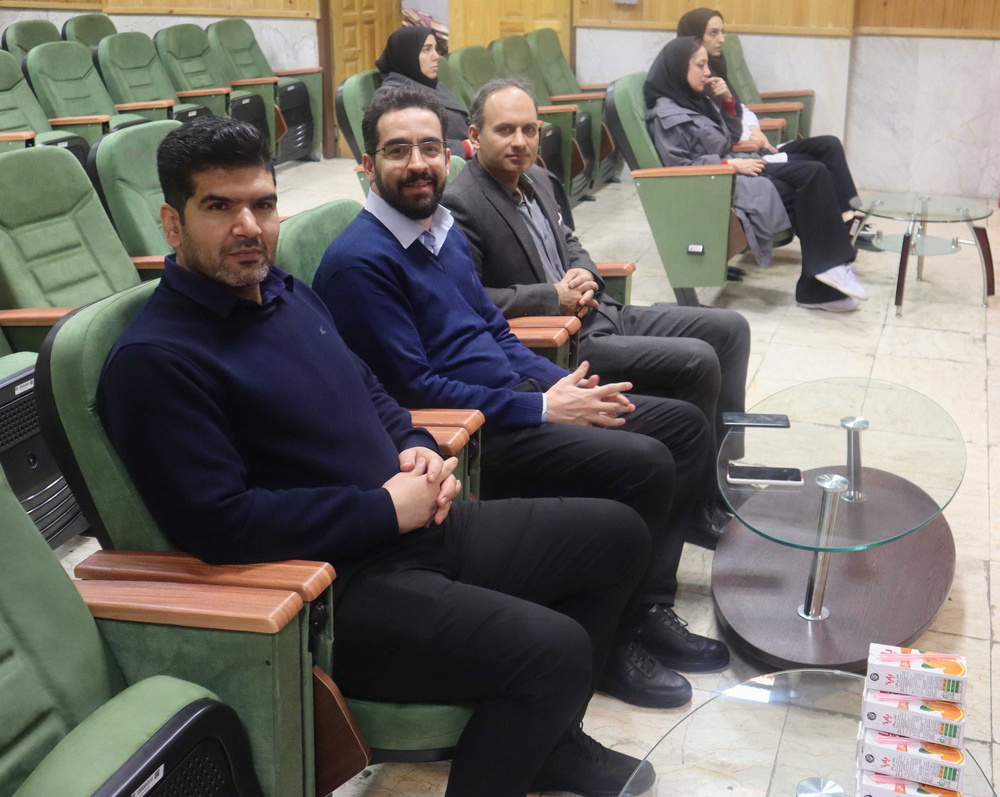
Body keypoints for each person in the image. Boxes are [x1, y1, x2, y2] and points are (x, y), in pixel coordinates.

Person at [97, 115, 657, 797]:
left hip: (413, 525)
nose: (249, 226)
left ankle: (549, 744)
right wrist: (384, 510)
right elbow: (219, 523)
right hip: (337, 590)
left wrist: (415, 446)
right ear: (172, 223)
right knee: (554, 651)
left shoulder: (282, 291)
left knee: (617, 535)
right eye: (219, 207)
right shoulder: (155, 360)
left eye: (263, 205)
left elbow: (369, 387)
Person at [313, 84, 731, 710]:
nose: (418, 163)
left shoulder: (440, 230)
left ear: (448, 154)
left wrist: (555, 385)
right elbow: (413, 388)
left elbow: (495, 331)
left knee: (684, 426)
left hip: (518, 398)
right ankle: (612, 647)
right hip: (477, 435)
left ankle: (646, 607)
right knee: (645, 460)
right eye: (398, 151)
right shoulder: (361, 263)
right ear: (368, 166)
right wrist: (540, 408)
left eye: (429, 147)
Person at [441, 78, 750, 548]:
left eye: (530, 129)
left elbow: (570, 242)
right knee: (697, 359)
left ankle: (717, 472)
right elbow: (474, 299)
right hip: (565, 343)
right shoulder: (462, 202)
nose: (520, 141)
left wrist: (585, 272)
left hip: (602, 310)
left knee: (730, 329)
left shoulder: (538, 178)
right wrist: (552, 297)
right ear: (474, 135)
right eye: (505, 130)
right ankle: (693, 508)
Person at [646, 37, 868, 312]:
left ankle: (828, 272)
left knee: (816, 168)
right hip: (721, 181)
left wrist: (728, 102)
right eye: (700, 65)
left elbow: (726, 138)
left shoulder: (694, 100)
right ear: (680, 68)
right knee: (812, 176)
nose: (708, 72)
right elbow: (679, 168)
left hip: (734, 167)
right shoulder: (666, 115)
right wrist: (728, 165)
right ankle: (820, 281)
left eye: (707, 65)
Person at [675, 6, 874, 247]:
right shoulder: (694, 86)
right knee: (814, 168)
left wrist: (754, 128)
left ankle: (851, 217)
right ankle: (843, 229)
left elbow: (741, 109)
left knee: (829, 145)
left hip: (757, 146)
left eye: (722, 32)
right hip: (746, 155)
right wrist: (747, 138)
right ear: (695, 38)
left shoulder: (717, 71)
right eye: (713, 33)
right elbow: (715, 134)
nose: (722, 39)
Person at [376, 26, 473, 159]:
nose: (436, 56)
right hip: (445, 164)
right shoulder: (392, 97)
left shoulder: (430, 83)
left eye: (435, 49)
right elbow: (410, 143)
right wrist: (465, 148)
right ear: (407, 55)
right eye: (426, 50)